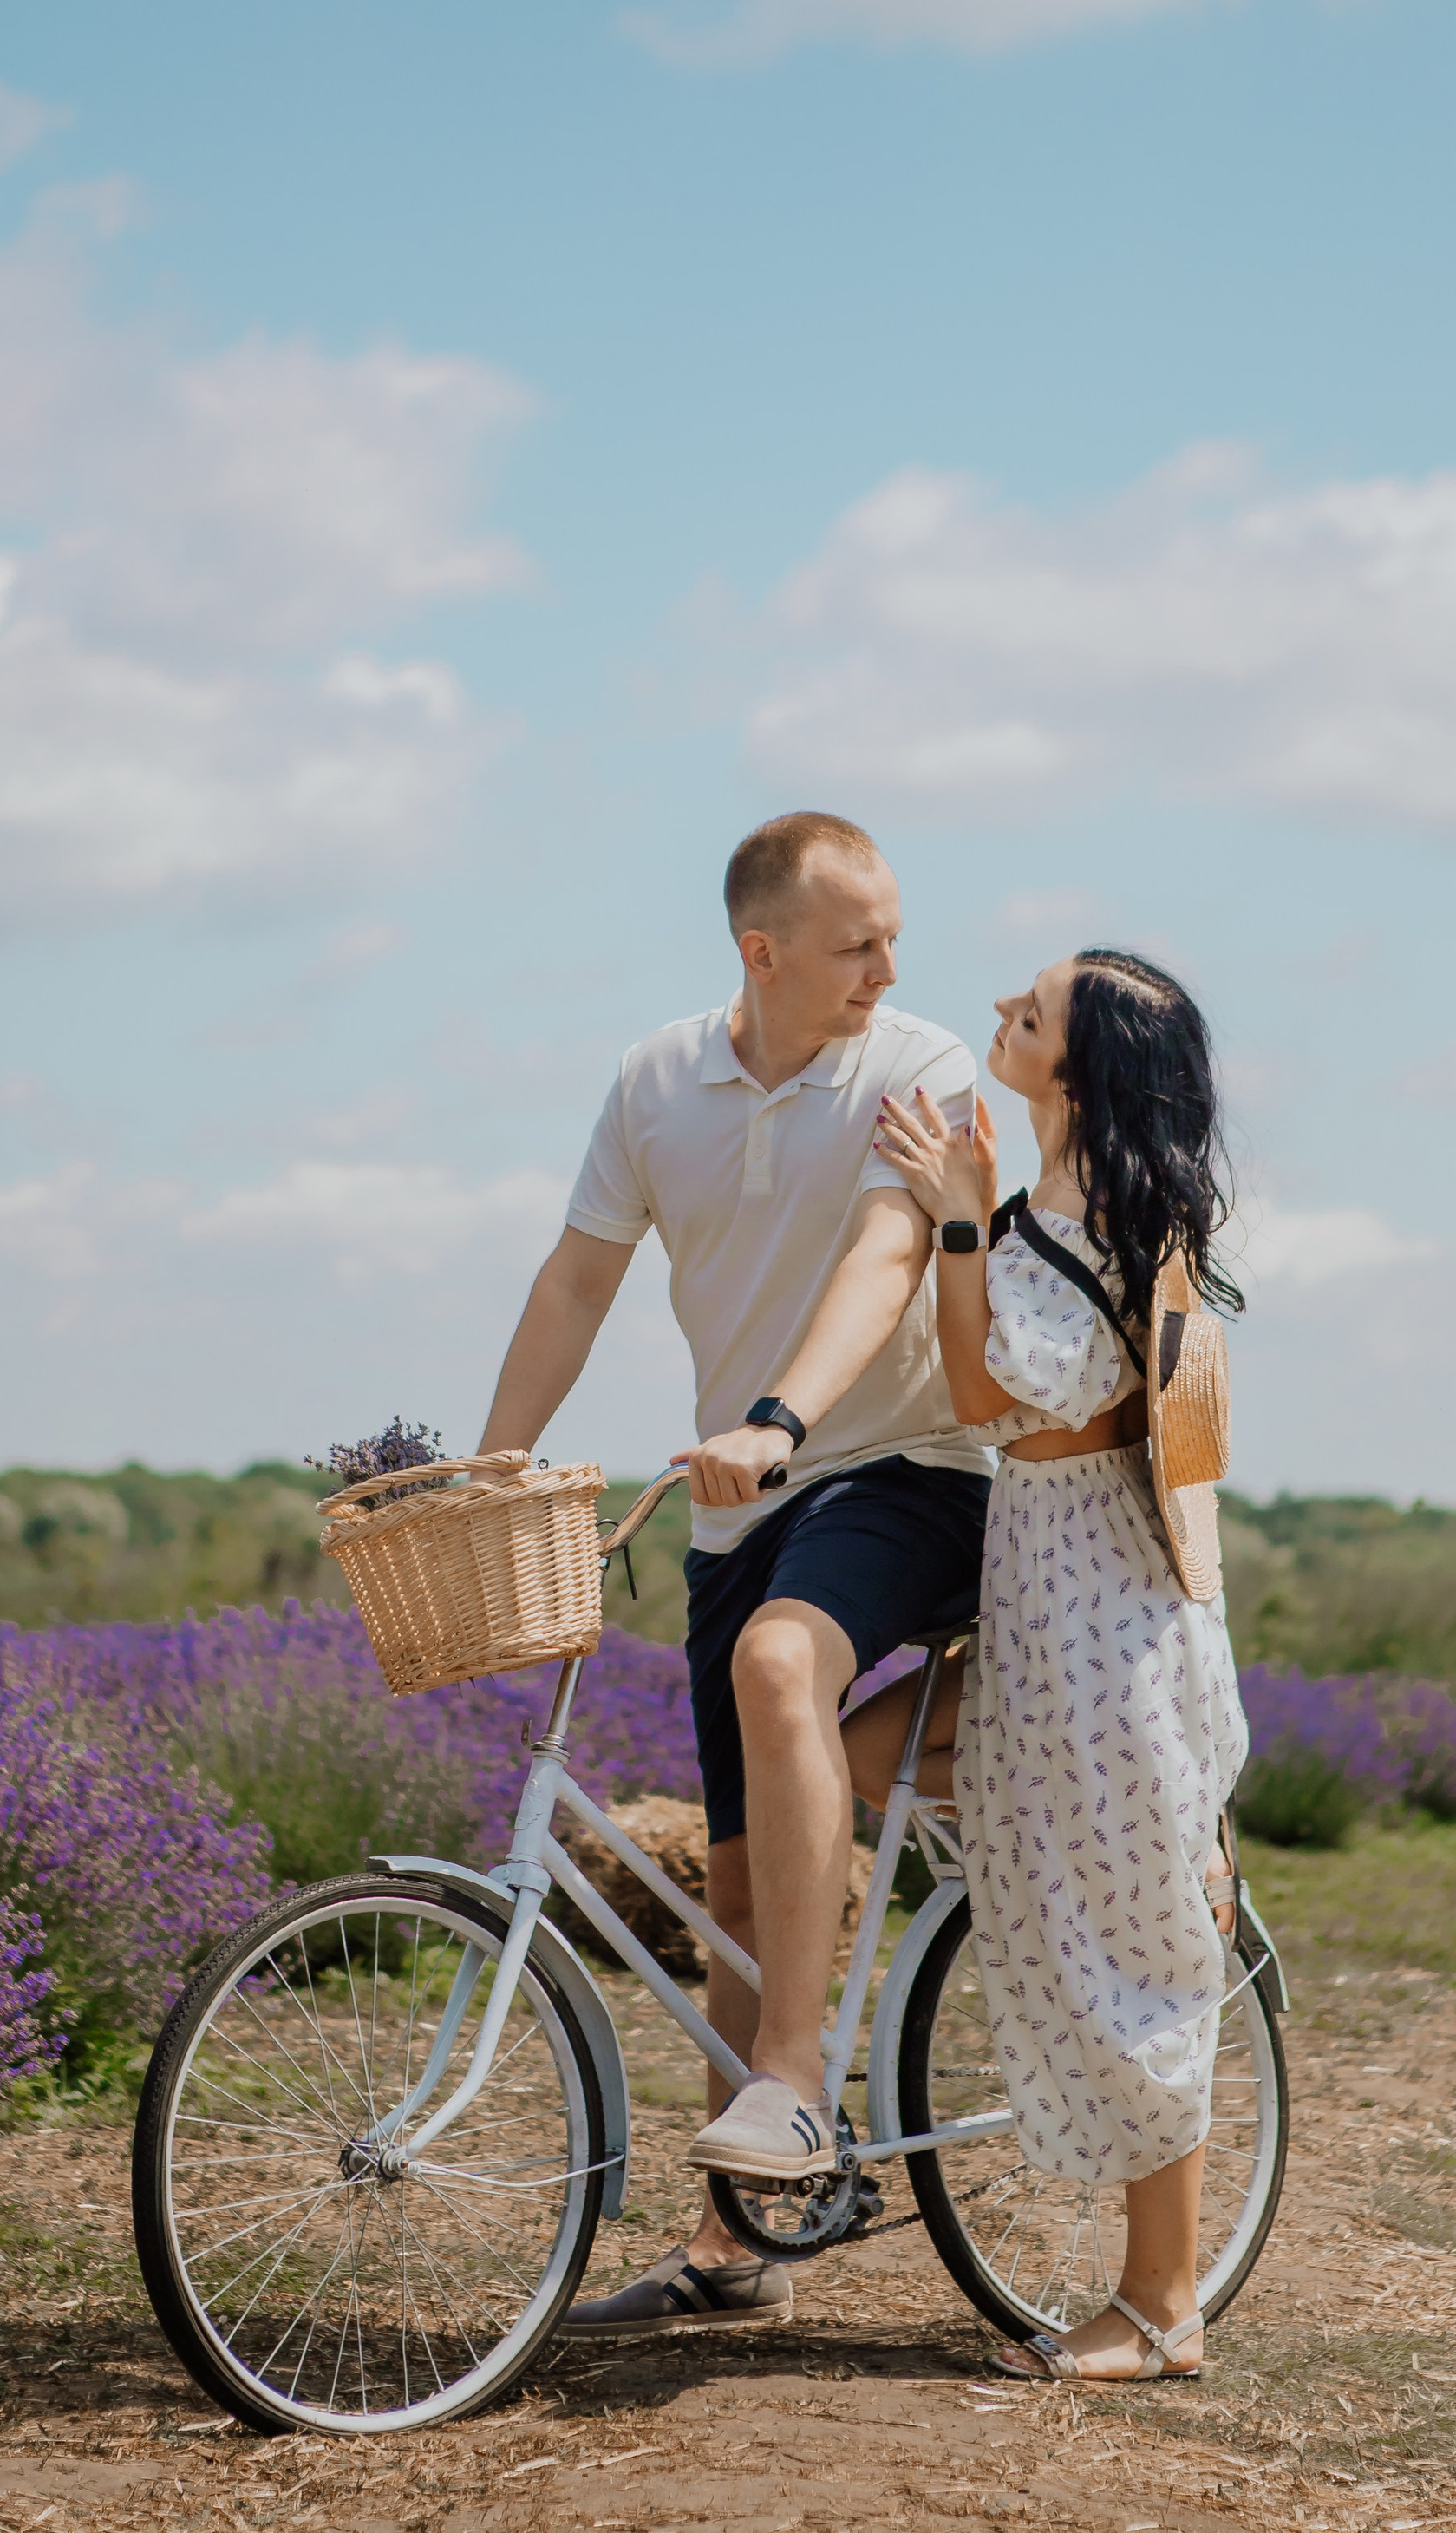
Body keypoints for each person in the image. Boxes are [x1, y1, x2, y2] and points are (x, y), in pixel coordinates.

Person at [477, 810, 992, 2335]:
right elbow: (579, 1277)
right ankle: (733, 2247)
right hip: (736, 1504)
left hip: (905, 1471)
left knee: (785, 1664)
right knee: (739, 1882)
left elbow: (891, 1258)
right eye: (859, 943)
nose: (890, 967)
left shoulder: (924, 1069)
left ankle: (792, 2084)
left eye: (893, 935)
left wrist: (778, 1418)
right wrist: (496, 1467)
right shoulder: (657, 1081)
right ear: (759, 953)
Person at [862, 946, 1247, 2386]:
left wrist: (957, 1223)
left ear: (1077, 1076)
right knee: (870, 1765)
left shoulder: (1085, 1222)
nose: (1003, 1021)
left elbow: (979, 1397)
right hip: (1060, 1599)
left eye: (1032, 1016)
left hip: (1097, 1625)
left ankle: (1162, 2310)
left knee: (1132, 1961)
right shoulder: (1075, 1207)